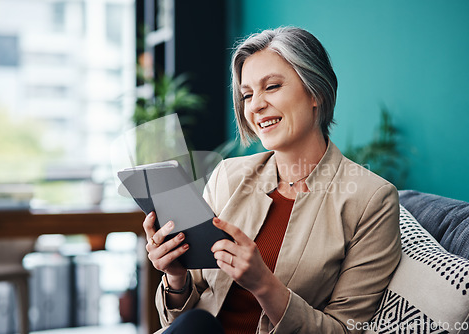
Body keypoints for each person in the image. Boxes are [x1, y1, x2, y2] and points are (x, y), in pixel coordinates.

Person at [143, 26, 401, 333]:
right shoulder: (229, 176)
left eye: (272, 87)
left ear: (315, 91)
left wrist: (264, 284)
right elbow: (178, 321)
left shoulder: (371, 199)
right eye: (247, 94)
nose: (255, 106)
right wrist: (176, 277)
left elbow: (345, 330)